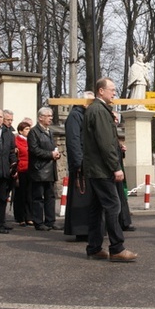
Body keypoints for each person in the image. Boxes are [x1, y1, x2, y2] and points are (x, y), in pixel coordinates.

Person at [83, 78, 137, 262]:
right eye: (111, 90)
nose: (114, 93)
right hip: (102, 169)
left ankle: (94, 248)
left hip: (95, 168)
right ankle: (116, 248)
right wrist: (115, 167)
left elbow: (104, 140)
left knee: (96, 209)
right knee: (114, 205)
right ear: (100, 91)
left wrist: (117, 145)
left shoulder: (96, 110)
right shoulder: (99, 111)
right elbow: (104, 143)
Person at [64, 92, 94, 240]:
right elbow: (74, 140)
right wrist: (79, 162)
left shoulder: (84, 115)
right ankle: (81, 229)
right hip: (81, 164)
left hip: (87, 162)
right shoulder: (75, 116)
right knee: (80, 196)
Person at [28, 107, 61, 231]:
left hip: (50, 168)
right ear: (40, 117)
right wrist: (50, 155)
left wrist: (56, 154)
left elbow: (52, 147)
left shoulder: (49, 131)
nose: (51, 118)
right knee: (38, 197)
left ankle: (50, 221)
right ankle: (38, 221)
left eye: (51, 116)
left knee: (50, 196)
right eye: (48, 116)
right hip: (39, 169)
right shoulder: (34, 132)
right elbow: (34, 150)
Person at [13, 119, 33, 227]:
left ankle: (29, 216)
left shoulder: (30, 140)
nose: (29, 131)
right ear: (20, 131)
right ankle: (20, 217)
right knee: (21, 194)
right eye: (26, 129)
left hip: (30, 169)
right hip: (21, 170)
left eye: (29, 128)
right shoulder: (17, 141)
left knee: (29, 194)